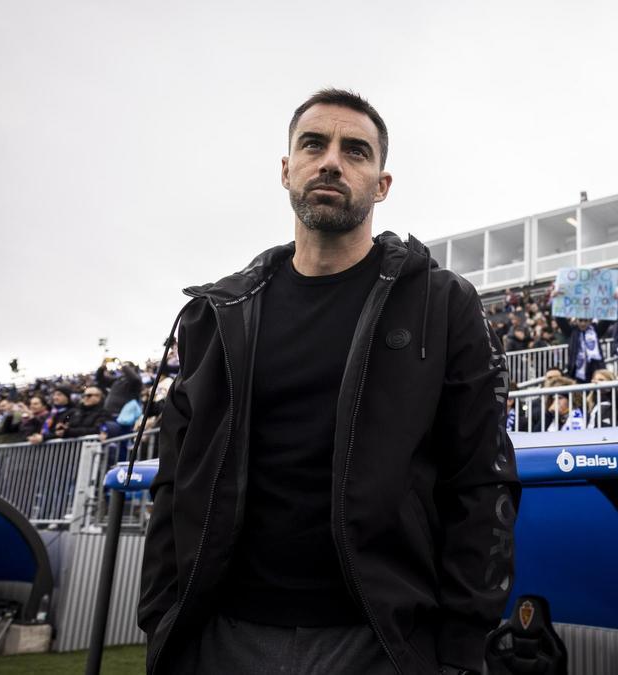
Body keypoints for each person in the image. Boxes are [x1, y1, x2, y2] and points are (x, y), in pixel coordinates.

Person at [139, 89, 519, 675]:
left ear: (382, 184)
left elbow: (482, 480)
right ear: (286, 169)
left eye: (356, 151)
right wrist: (162, 614)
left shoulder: (441, 304)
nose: (332, 161)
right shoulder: (218, 314)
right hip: (221, 635)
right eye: (313, 145)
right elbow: (174, 478)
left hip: (379, 641)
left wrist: (464, 643)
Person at [554, 316, 612, 383]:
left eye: (586, 321)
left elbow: (607, 320)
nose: (583, 323)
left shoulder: (596, 330)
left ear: (590, 321)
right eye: (580, 320)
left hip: (595, 369)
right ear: (576, 320)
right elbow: (560, 320)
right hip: (577, 371)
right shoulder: (572, 331)